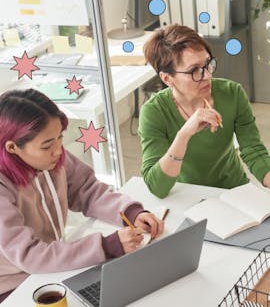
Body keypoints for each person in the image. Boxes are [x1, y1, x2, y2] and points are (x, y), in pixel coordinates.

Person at [0, 89, 164, 302]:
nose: (58, 150)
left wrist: (132, 213)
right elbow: (30, 255)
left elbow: (88, 191)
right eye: (47, 145)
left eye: (60, 138)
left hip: (52, 269)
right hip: (13, 287)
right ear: (12, 147)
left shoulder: (52, 158)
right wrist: (106, 246)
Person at [140, 24, 270, 205]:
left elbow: (253, 150)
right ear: (167, 78)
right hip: (189, 198)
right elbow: (157, 187)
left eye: (208, 64)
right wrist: (184, 134)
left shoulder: (232, 93)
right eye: (194, 71)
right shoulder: (154, 112)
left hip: (234, 191)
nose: (207, 75)